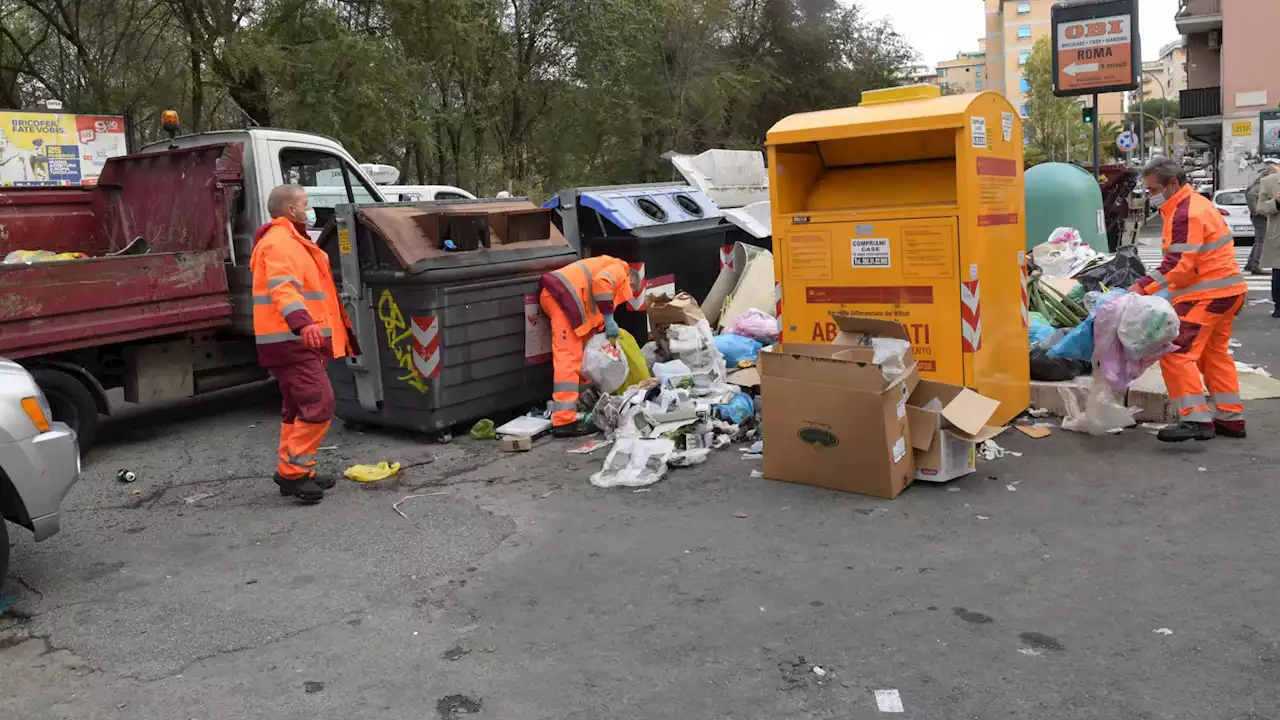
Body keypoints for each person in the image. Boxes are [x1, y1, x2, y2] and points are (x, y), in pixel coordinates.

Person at [251, 185, 359, 503]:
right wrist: (304, 322)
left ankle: (298, 468)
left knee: (297, 407)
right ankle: (293, 474)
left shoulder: (291, 241)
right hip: (292, 340)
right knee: (320, 402)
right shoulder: (280, 243)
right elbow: (284, 288)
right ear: (291, 211)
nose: (309, 209)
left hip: (295, 340)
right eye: (305, 204)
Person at [1130, 159, 1248, 442]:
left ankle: (1195, 419)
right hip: (1227, 292)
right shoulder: (1194, 204)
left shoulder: (1185, 212)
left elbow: (1178, 263)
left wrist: (1140, 288)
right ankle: (1231, 419)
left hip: (1206, 295)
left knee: (1175, 352)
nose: (1150, 195)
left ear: (1173, 183)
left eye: (1154, 189)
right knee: (1213, 355)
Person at [538, 255, 641, 437]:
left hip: (566, 300)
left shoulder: (609, 265)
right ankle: (564, 421)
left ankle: (582, 404)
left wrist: (602, 326)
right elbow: (601, 284)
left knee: (584, 356)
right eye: (629, 291)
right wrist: (609, 319)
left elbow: (594, 300)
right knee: (568, 358)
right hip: (561, 299)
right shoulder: (619, 269)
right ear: (630, 281)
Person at [1243, 161, 1279, 274]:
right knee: (1261, 240)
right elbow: (1250, 195)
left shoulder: (1259, 183)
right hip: (1259, 216)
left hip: (1259, 215)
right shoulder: (1262, 183)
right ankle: (1255, 265)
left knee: (1259, 239)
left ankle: (1251, 263)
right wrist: (1256, 211)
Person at [1256, 163, 1280, 318]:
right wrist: (1276, 202)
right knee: (1279, 273)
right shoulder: (1269, 182)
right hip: (1278, 235)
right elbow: (1260, 208)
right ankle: (1279, 305)